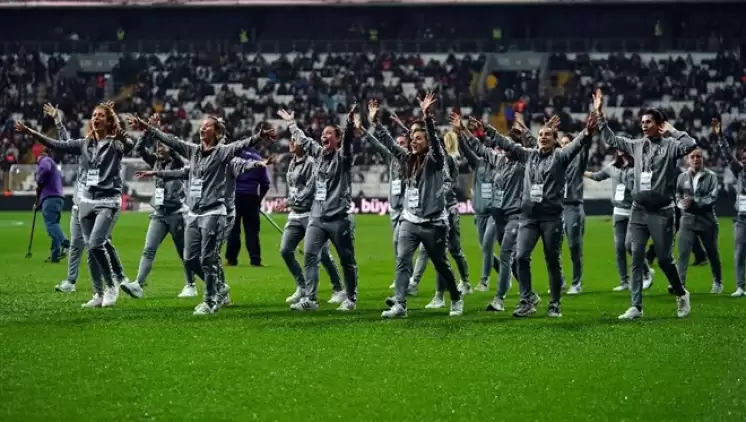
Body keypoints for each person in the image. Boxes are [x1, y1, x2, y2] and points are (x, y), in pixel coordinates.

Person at [130, 114, 271, 315]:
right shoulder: (194, 152)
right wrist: (146, 126)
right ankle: (220, 288)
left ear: (217, 132)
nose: (202, 129)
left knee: (208, 258)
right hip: (194, 213)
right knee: (189, 258)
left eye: (207, 127)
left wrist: (259, 137)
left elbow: (241, 146)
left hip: (214, 212)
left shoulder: (222, 153)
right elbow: (171, 140)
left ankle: (210, 300)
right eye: (201, 126)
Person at [17, 103, 132, 308]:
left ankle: (112, 284)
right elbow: (58, 144)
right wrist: (31, 131)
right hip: (85, 201)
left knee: (97, 243)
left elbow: (129, 145)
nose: (96, 118)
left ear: (109, 121)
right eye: (94, 114)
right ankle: (98, 293)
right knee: (91, 248)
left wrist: (125, 139)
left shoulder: (115, 144)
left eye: (101, 115)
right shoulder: (84, 144)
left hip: (108, 201)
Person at [594, 88, 696, 320]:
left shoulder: (671, 146)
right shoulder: (637, 145)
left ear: (659, 124)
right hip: (638, 210)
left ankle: (681, 293)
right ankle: (636, 306)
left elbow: (691, 144)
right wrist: (599, 113)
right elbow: (610, 139)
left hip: (662, 212)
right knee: (637, 257)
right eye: (642, 122)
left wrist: (673, 130)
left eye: (648, 122)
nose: (643, 125)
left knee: (664, 260)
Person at [485, 111, 596, 318]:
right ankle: (526, 300)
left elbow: (577, 145)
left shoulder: (560, 157)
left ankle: (554, 304)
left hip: (551, 218)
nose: (543, 137)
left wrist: (587, 132)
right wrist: (488, 129)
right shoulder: (529, 156)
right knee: (520, 257)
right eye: (541, 134)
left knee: (552, 260)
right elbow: (508, 144)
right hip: (528, 218)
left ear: (555, 141)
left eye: (547, 135)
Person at [374, 94, 463, 318]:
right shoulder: (407, 159)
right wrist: (376, 123)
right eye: (413, 137)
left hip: (433, 223)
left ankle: (455, 297)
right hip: (409, 220)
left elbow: (434, 144)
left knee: (441, 264)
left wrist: (428, 118)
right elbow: (391, 145)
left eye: (419, 139)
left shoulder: (435, 161)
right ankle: (400, 305)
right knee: (403, 260)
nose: (414, 141)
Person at [277, 105, 359, 312]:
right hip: (317, 217)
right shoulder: (318, 154)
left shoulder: (343, 159)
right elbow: (303, 140)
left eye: (329, 134)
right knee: (310, 255)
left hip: (338, 217)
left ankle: (350, 297)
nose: (324, 136)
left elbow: (349, 144)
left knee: (346, 259)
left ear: (337, 139)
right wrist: (291, 123)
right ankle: (311, 299)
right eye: (323, 134)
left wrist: (349, 125)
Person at [47, 103, 128, 294]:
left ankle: (116, 278)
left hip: (99, 203)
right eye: (93, 117)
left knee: (101, 244)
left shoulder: (106, 150)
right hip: (79, 204)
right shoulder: (83, 149)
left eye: (100, 116)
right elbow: (66, 142)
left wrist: (114, 120)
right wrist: (57, 121)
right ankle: (71, 281)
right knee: (76, 245)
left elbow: (122, 143)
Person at [119, 114, 195, 299]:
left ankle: (190, 285)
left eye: (163, 146)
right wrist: (146, 131)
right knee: (149, 249)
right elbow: (139, 149)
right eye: (158, 145)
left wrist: (160, 134)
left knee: (184, 252)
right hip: (159, 213)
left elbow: (178, 155)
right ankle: (138, 283)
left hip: (177, 213)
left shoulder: (178, 162)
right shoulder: (154, 161)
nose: (160, 148)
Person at [457, 115, 525, 312]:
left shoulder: (523, 162)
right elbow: (479, 148)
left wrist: (489, 129)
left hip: (514, 216)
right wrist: (463, 130)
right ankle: (528, 293)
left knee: (505, 256)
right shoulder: (500, 161)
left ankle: (499, 298)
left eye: (509, 144)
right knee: (510, 261)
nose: (504, 148)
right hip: (498, 216)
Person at [276, 133, 344, 304]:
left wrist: (289, 201)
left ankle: (338, 287)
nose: (291, 142)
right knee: (285, 250)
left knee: (322, 254)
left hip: (312, 214)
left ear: (303, 145)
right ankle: (302, 286)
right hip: (295, 214)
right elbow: (294, 188)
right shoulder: (292, 162)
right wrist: (290, 202)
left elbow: (310, 189)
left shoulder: (312, 163)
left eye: (294, 140)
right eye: (290, 139)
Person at [410, 130, 472, 305]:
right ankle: (421, 286)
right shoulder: (434, 159)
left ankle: (461, 284)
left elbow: (448, 184)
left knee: (454, 250)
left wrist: (437, 197)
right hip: (438, 210)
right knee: (435, 251)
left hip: (448, 209)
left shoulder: (447, 160)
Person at [584, 150, 654, 292]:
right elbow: (598, 176)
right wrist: (582, 171)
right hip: (618, 211)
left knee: (630, 245)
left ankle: (646, 272)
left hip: (635, 210)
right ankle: (624, 281)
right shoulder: (612, 167)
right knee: (619, 248)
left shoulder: (639, 167)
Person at [355, 114, 409, 291]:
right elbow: (378, 145)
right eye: (398, 143)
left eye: (403, 143)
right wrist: (364, 131)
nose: (399, 146)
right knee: (398, 248)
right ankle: (407, 279)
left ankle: (405, 280)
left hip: (406, 209)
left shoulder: (410, 160)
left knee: (398, 244)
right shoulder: (391, 159)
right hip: (394, 208)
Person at [458, 123, 500, 293]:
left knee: (488, 244)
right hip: (480, 213)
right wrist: (459, 134)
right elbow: (467, 152)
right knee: (485, 247)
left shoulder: (501, 166)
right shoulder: (479, 163)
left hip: (494, 214)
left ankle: (484, 281)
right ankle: (506, 270)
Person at [675, 147, 723, 293]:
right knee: (683, 253)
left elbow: (713, 197)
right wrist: (681, 204)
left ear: (703, 159)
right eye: (693, 157)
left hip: (707, 220)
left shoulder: (711, 176)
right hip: (687, 219)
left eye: (699, 156)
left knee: (712, 252)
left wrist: (694, 201)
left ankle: (718, 281)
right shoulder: (682, 177)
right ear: (687, 160)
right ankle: (680, 285)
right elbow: (677, 195)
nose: (696, 159)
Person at [225, 122, 271, 267]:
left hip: (235, 197)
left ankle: (231, 259)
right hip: (251, 198)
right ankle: (255, 260)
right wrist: (259, 199)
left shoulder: (233, 157)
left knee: (233, 230)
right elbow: (265, 184)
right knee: (252, 231)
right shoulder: (258, 158)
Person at [713, 117, 746, 297]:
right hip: (741, 219)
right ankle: (741, 287)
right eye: (743, 158)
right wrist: (720, 137)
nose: (745, 160)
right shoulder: (739, 171)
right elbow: (727, 155)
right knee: (739, 252)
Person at [559, 126, 592, 295]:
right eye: (562, 143)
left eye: (568, 142)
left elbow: (586, 146)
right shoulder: (557, 161)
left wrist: (588, 133)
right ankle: (560, 280)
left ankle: (576, 282)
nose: (565, 145)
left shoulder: (579, 160)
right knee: (553, 247)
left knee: (574, 246)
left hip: (573, 207)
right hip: (557, 209)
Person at [34, 142, 69, 263]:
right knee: (55, 225)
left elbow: (45, 171)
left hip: (50, 198)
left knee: (51, 226)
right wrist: (38, 203)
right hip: (58, 198)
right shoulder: (54, 165)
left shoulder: (45, 160)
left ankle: (65, 242)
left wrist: (39, 180)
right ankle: (55, 256)